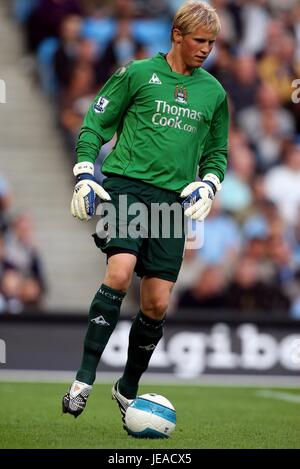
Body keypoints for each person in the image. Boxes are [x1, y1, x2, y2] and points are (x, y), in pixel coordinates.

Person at [62, 0, 229, 430]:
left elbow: (217, 152)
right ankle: (83, 379)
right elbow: (95, 122)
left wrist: (210, 182)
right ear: (177, 34)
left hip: (172, 201)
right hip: (127, 188)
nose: (206, 49)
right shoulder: (137, 73)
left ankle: (128, 386)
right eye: (199, 40)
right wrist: (84, 171)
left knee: (156, 303)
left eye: (211, 42)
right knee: (119, 272)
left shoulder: (214, 92)